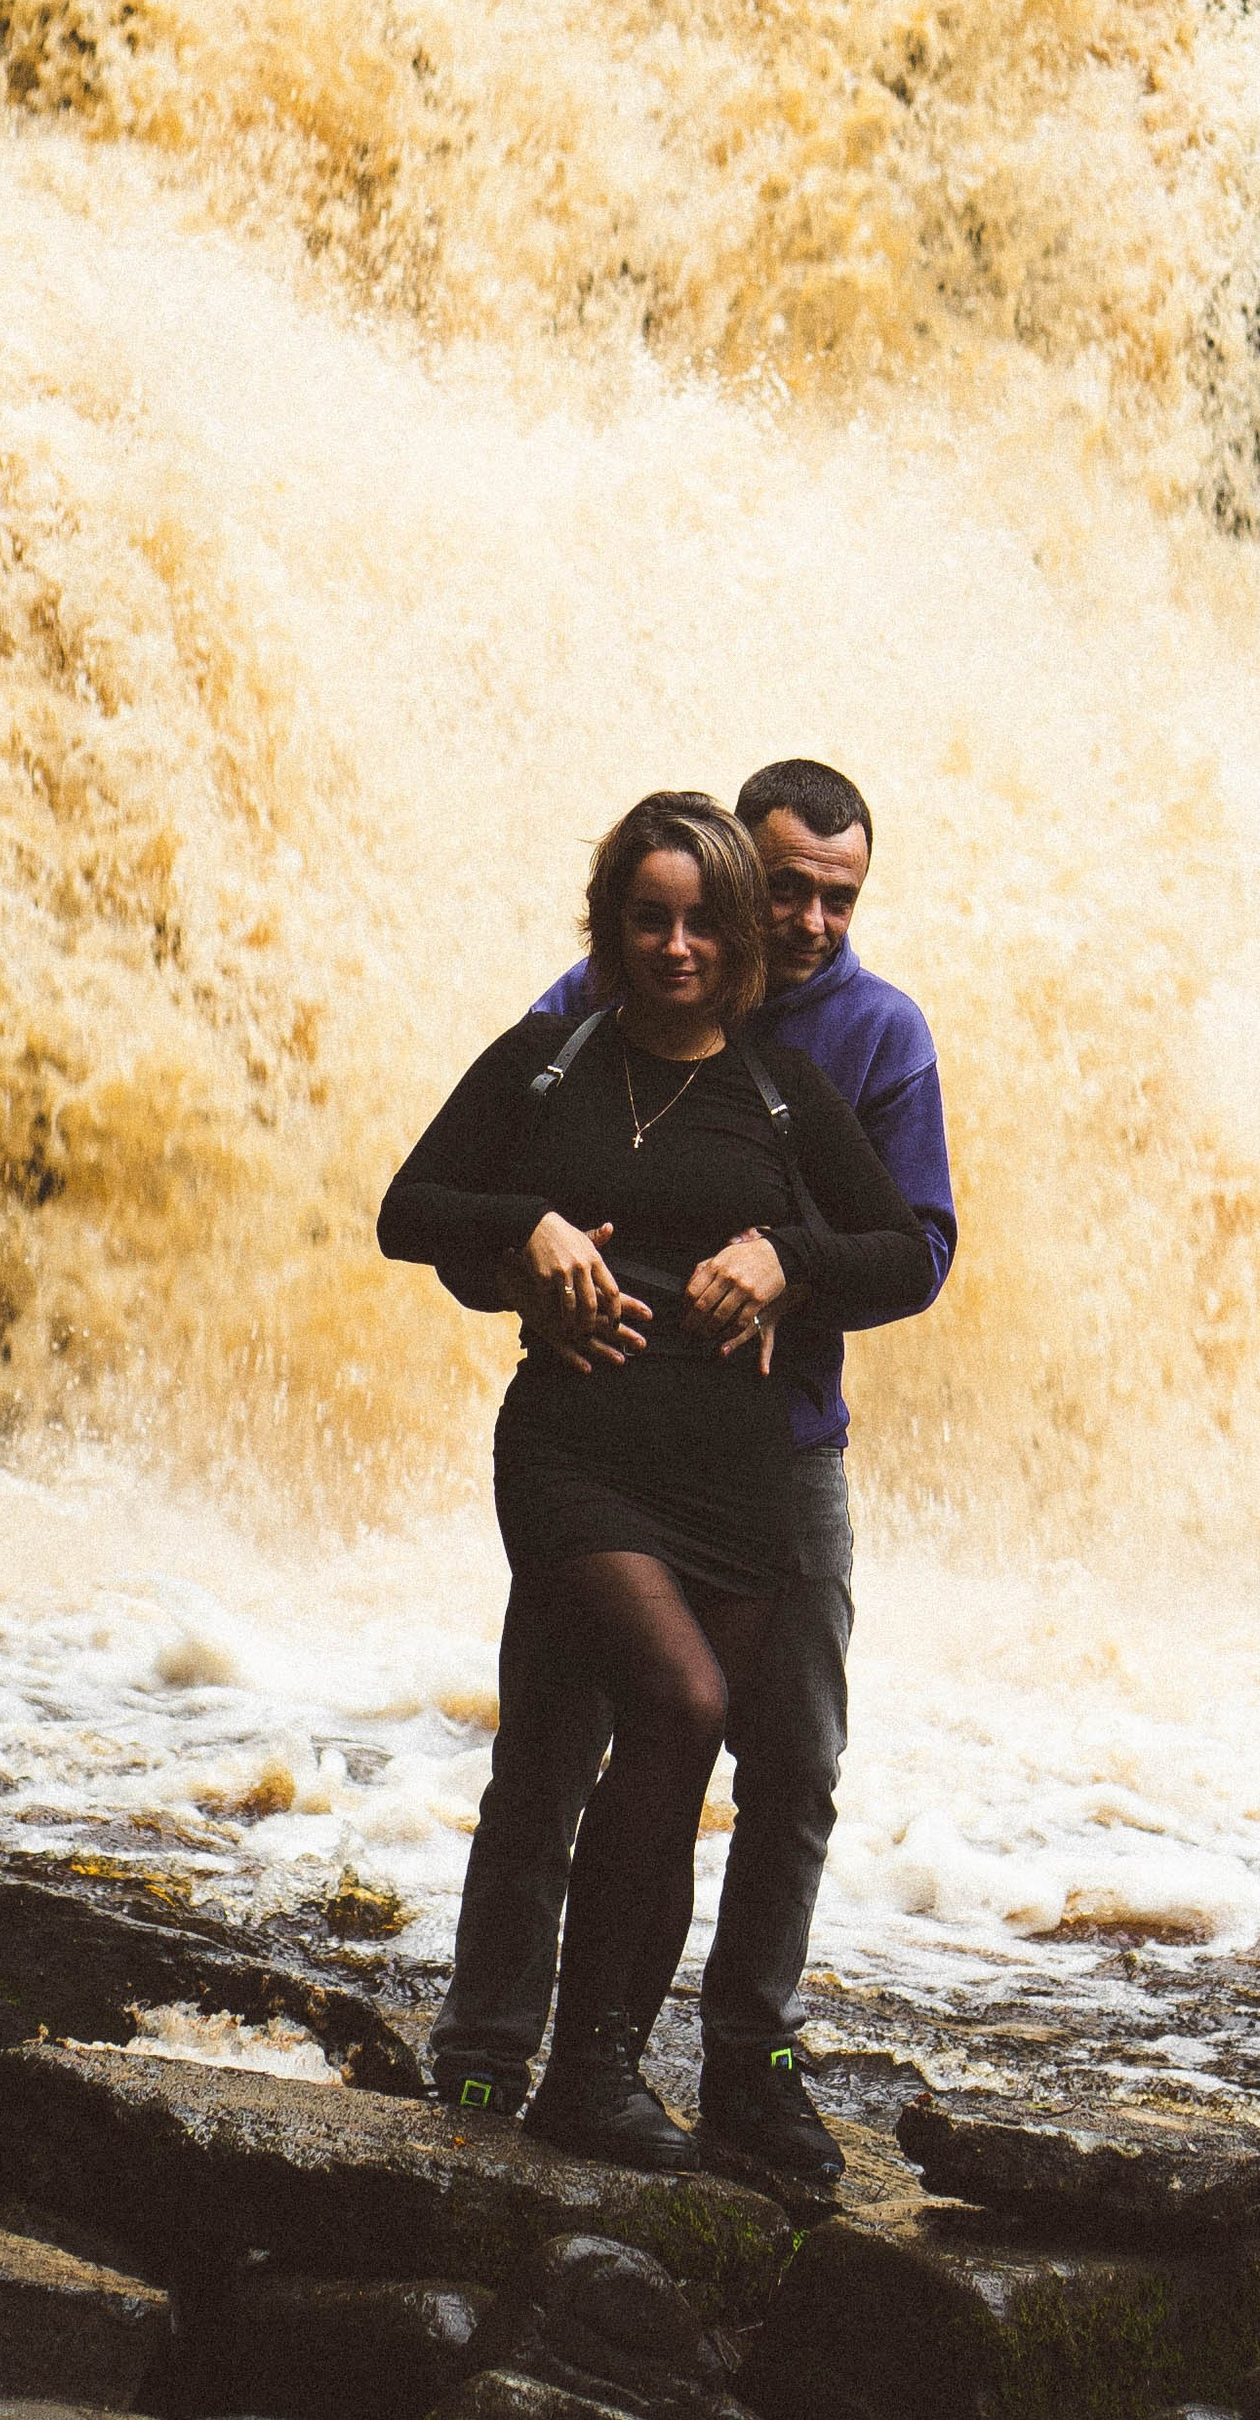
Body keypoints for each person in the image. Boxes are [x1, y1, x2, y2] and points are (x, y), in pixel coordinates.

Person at [376, 790, 930, 2175]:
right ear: (620, 923)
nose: (683, 944)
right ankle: (505, 2060)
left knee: (739, 1765)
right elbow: (420, 1215)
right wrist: (525, 1245)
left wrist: (794, 1261)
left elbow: (908, 1252)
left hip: (753, 1470)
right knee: (607, 1731)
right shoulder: (565, 1040)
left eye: (829, 899)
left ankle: (681, 2067)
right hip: (582, 1454)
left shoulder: (823, 1067)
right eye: (653, 919)